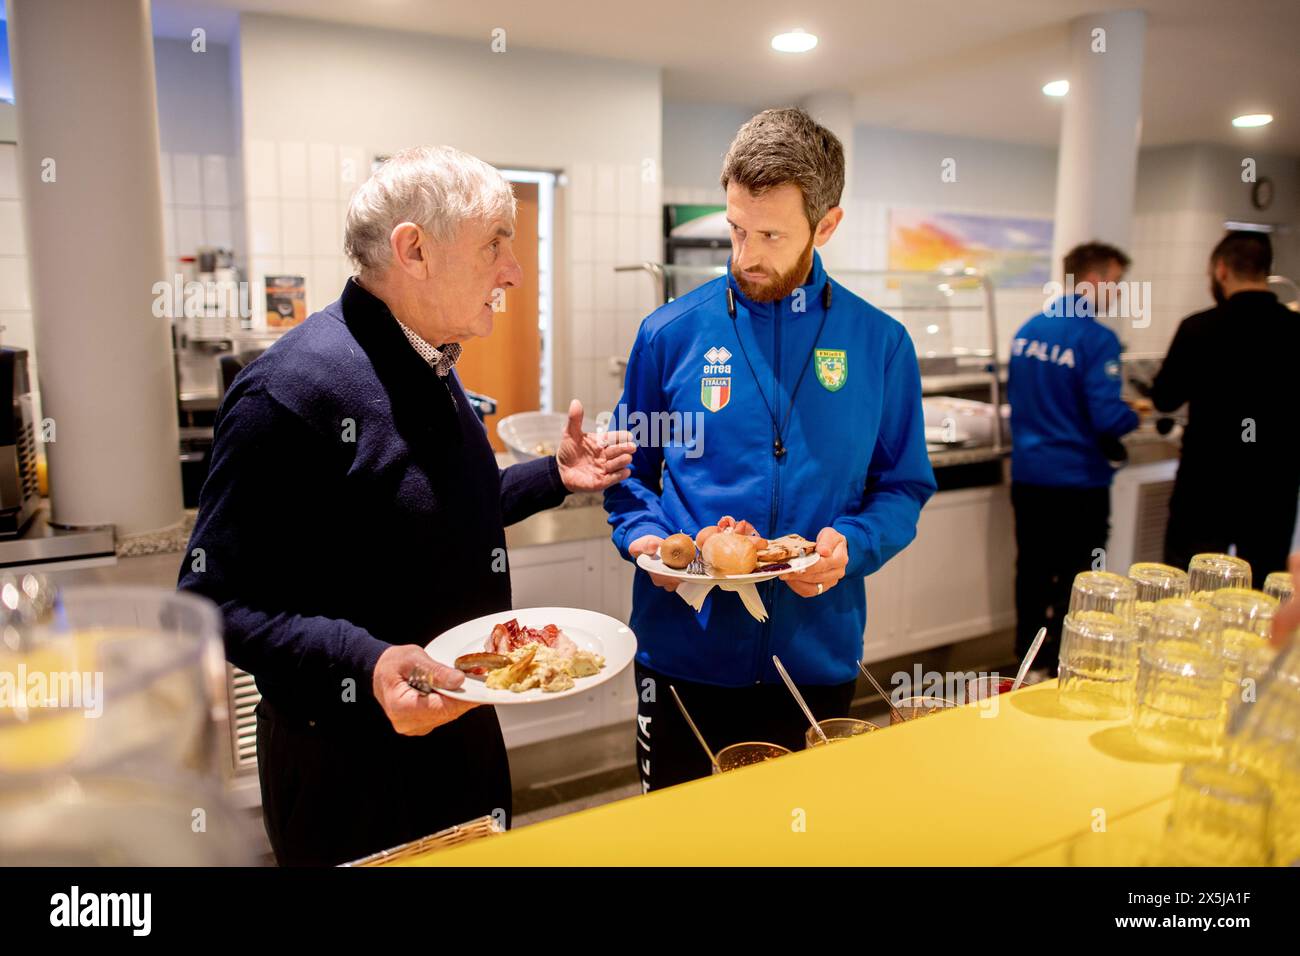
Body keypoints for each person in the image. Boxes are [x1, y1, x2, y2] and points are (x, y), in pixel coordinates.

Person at [179, 146, 634, 866]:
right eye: (495, 244)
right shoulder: (288, 394)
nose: (513, 271)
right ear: (414, 250)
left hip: (465, 733)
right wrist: (367, 663)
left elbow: (434, 514)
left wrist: (553, 475)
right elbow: (213, 600)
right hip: (350, 770)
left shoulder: (430, 359)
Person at [604, 109, 936, 791]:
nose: (745, 255)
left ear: (828, 225)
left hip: (816, 660)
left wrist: (851, 542)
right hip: (681, 655)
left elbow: (903, 487)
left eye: (771, 235)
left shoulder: (880, 345)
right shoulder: (669, 334)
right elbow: (629, 475)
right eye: (735, 229)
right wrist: (644, 542)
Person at [1006, 242, 1141, 674]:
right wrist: (1133, 417)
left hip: (1029, 476)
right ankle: (1062, 666)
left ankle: (1024, 663)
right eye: (1116, 284)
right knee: (1076, 578)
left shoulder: (1028, 330)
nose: (1117, 294)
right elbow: (1106, 417)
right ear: (1096, 280)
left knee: (1031, 570)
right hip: (1078, 482)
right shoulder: (1096, 339)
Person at [1151, 231, 1300, 579]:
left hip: (1206, 481)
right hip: (1273, 484)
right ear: (1266, 270)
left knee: (1187, 581)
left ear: (1221, 270)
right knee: (1262, 583)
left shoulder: (1198, 328)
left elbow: (1165, 397)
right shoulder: (1295, 329)